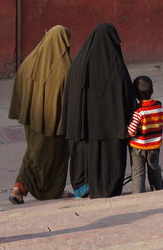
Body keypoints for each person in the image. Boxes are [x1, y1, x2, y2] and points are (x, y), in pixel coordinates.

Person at [61, 23, 135, 198]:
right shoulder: (117, 68)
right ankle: (108, 188)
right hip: (112, 129)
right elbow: (127, 95)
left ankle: (86, 187)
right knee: (111, 155)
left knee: (89, 153)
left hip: (86, 126)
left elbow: (70, 98)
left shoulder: (78, 65)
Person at [8, 25, 72, 204]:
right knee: (56, 157)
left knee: (34, 152)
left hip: (32, 118)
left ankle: (19, 187)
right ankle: (54, 190)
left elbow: (20, 87)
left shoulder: (29, 61)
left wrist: (26, 109)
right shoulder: (65, 68)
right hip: (54, 122)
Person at [127, 76, 163, 193]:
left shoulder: (138, 111)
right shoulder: (159, 106)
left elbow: (131, 131)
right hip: (154, 146)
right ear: (152, 91)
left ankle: (138, 194)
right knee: (154, 168)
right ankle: (159, 189)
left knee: (138, 172)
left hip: (139, 147)